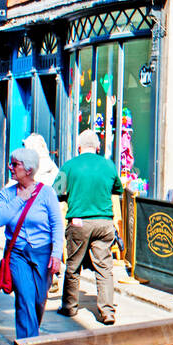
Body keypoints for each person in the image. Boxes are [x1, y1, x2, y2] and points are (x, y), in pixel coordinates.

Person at [0, 148, 64, 341]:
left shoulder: (46, 193)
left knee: (39, 301)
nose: (10, 167)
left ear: (29, 169)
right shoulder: (8, 194)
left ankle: (31, 338)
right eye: (11, 163)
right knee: (24, 300)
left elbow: (57, 224)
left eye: (15, 164)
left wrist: (56, 254)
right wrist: (20, 200)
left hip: (43, 252)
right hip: (17, 254)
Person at [53, 129, 123, 324]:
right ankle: (107, 311)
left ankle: (69, 306)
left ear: (78, 147)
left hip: (79, 221)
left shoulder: (69, 166)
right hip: (104, 221)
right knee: (104, 268)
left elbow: (57, 192)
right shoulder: (108, 165)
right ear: (98, 147)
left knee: (73, 267)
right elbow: (118, 189)